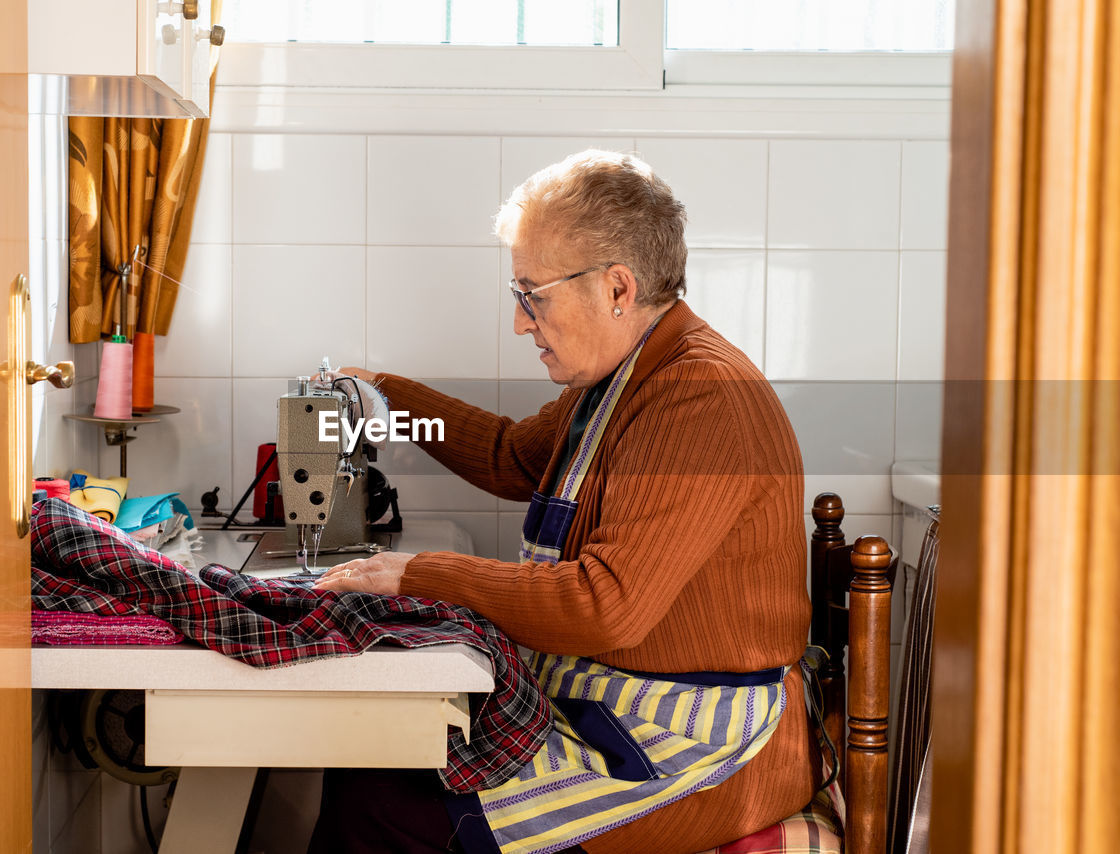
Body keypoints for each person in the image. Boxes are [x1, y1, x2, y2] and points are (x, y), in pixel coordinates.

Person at [309, 150, 820, 853]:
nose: (521, 323)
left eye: (532, 294)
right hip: (617, 708)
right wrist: (385, 400)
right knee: (369, 766)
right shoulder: (619, 381)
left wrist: (417, 572)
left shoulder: (701, 395)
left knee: (382, 804)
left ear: (617, 288)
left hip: (693, 748)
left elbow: (604, 604)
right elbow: (509, 456)